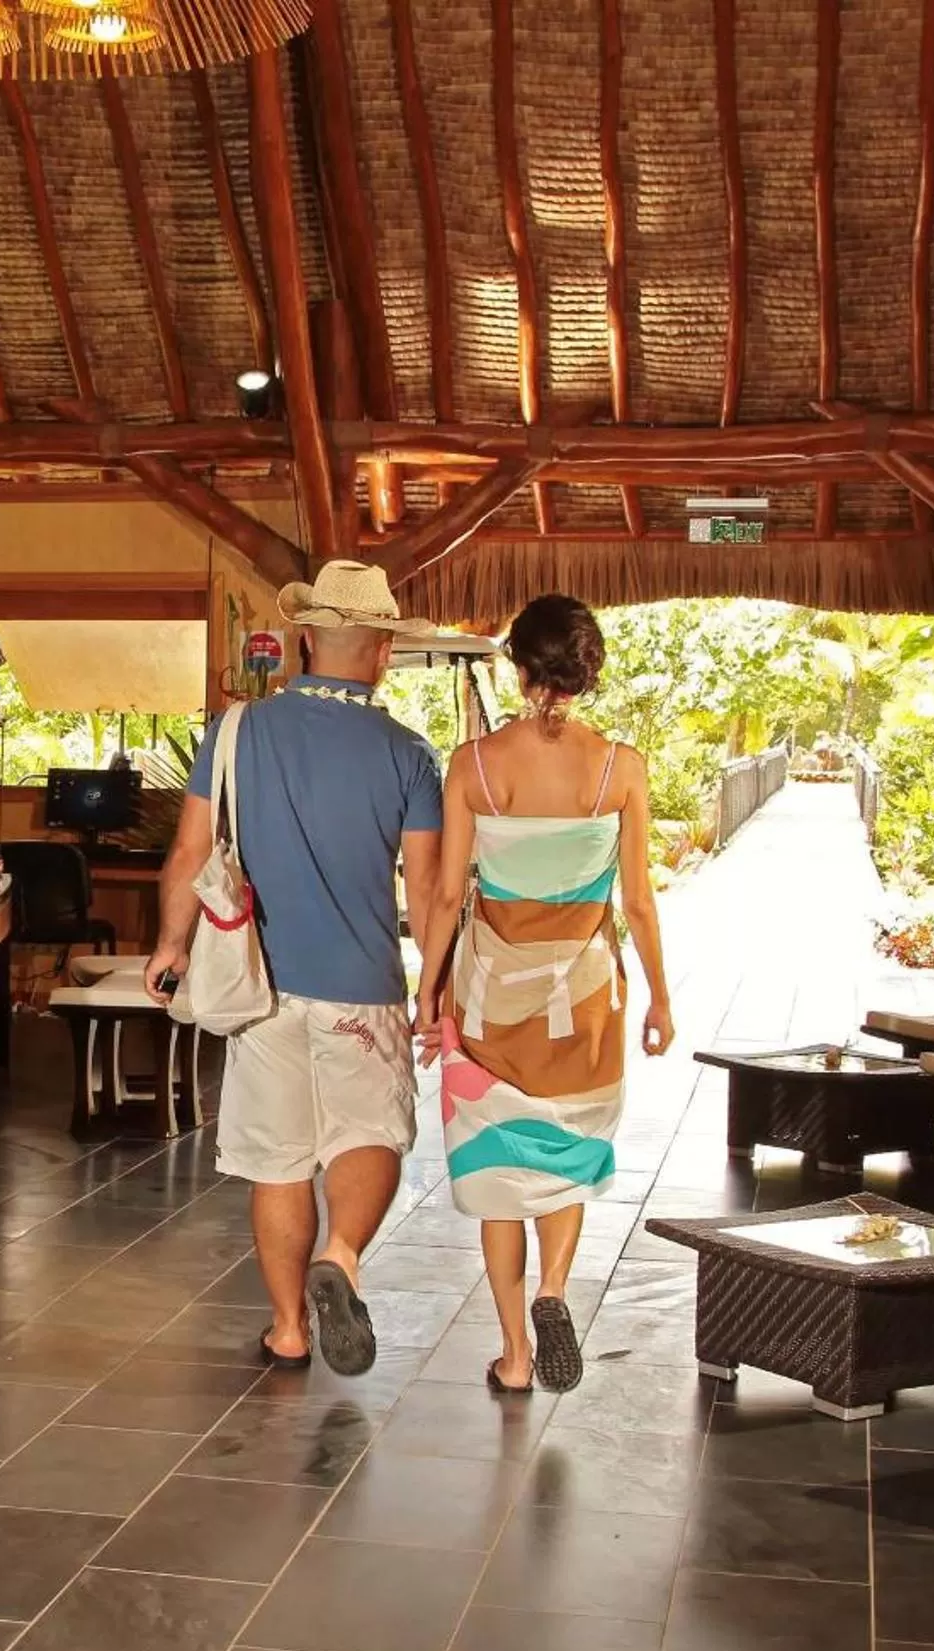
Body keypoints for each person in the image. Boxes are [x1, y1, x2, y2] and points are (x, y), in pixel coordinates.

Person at [146, 560, 443, 1376]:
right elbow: (427, 890)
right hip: (363, 988)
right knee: (371, 1131)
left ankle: (286, 1329)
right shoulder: (410, 755)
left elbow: (188, 850)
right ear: (381, 650)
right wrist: (434, 988)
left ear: (307, 638)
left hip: (258, 987)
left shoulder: (234, 732)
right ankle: (340, 1256)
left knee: (277, 1160)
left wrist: (171, 946)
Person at [414, 595, 674, 1396]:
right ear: (585, 671)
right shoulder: (616, 766)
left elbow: (446, 894)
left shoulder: (475, 765)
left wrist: (427, 995)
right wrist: (661, 998)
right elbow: (635, 901)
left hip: (491, 997)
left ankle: (514, 1355)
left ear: (518, 665)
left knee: (500, 1173)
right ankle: (554, 1292)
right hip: (584, 998)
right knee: (565, 1159)